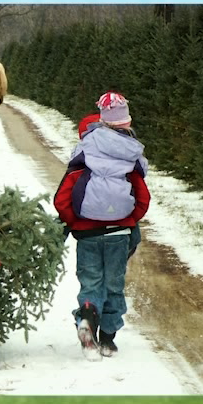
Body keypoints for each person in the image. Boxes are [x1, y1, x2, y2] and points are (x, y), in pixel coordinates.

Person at [53, 92, 151, 359]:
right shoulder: (130, 156)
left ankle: (86, 320)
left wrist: (74, 222)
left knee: (91, 283)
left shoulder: (85, 153)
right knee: (114, 285)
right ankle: (108, 340)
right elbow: (143, 198)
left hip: (87, 234)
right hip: (119, 232)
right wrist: (130, 220)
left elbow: (63, 198)